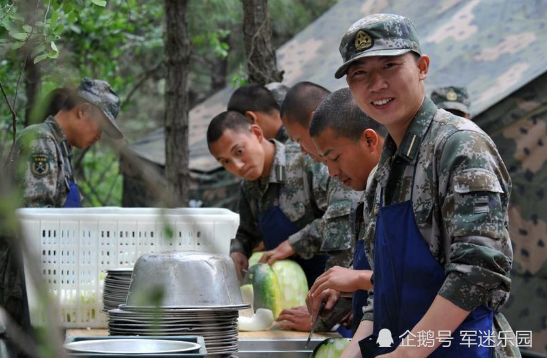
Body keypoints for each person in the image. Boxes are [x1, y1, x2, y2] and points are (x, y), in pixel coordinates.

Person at [332, 14, 519, 358]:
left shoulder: (459, 145)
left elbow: (479, 268)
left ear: (422, 67)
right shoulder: (383, 172)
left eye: (390, 65)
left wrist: (406, 354)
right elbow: (382, 285)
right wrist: (354, 352)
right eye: (360, 73)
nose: (376, 84)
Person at [207, 111, 330, 291]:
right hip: (285, 293)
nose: (237, 166)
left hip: (330, 289)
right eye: (226, 162)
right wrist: (238, 251)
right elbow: (245, 232)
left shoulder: (306, 160)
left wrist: (294, 244)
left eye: (239, 152)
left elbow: (342, 218)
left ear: (257, 134)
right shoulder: (249, 187)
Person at [277, 82, 362, 334]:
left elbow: (343, 254)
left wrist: (321, 317)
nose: (302, 151)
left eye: (301, 140)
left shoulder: (348, 169)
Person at [306, 87, 385, 334]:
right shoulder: (371, 193)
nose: (332, 172)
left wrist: (358, 280)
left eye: (335, 158)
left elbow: (427, 282)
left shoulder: (407, 187)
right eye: (325, 162)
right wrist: (346, 286)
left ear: (370, 140)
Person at [10, 78, 123, 208]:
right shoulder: (41, 139)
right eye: (100, 127)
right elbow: (37, 215)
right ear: (83, 111)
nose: (98, 137)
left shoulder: (60, 149)